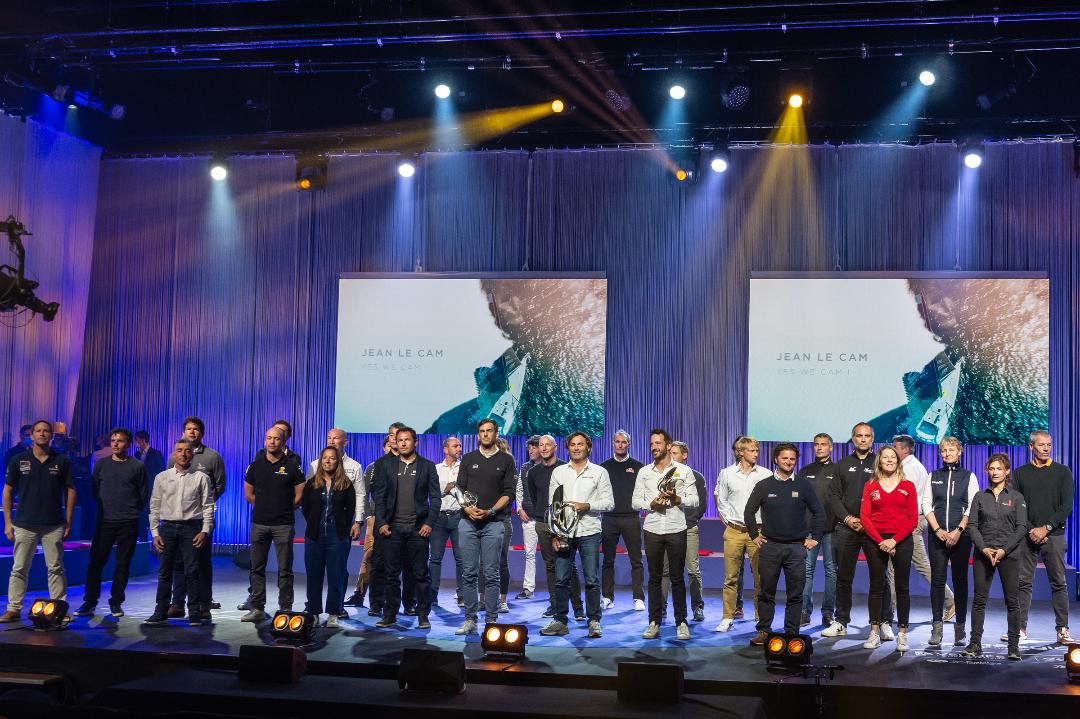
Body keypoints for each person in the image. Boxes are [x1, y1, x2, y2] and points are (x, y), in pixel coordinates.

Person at [745, 443, 824, 644]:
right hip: (770, 547)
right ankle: (764, 630)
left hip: (797, 548)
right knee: (766, 592)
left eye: (792, 459)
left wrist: (815, 537)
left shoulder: (804, 485)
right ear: (776, 460)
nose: (788, 462)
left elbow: (819, 513)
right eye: (784, 458)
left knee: (795, 593)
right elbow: (748, 511)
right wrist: (754, 535)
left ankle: (791, 633)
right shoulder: (764, 485)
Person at [0, 420, 76, 624]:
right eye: (38, 431)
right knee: (19, 568)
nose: (42, 434)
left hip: (53, 524)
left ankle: (59, 608)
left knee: (56, 568)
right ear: (31, 435)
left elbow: (70, 490)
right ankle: (13, 609)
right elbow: (7, 491)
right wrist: (8, 522)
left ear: (51, 436)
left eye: (46, 431)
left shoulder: (62, 461)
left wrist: (68, 521)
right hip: (24, 523)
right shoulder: (18, 460)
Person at [540, 432, 613, 638]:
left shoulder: (599, 472)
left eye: (580, 444)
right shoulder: (559, 472)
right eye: (573, 444)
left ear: (588, 447)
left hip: (590, 531)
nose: (577, 448)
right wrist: (554, 534)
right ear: (568, 448)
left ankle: (594, 621)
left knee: (591, 579)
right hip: (564, 533)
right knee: (561, 579)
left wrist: (587, 505)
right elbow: (553, 506)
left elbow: (609, 503)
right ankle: (560, 621)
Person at [75, 428, 148, 618]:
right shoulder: (101, 465)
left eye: (120, 441)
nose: (115, 444)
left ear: (129, 444)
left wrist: (131, 511)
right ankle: (90, 601)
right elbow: (94, 490)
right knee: (96, 563)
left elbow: (143, 495)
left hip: (128, 522)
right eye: (113, 440)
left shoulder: (137, 466)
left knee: (122, 564)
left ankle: (116, 602)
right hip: (105, 522)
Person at [634, 429, 698, 640]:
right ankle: (654, 622)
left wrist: (677, 499)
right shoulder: (644, 472)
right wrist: (650, 504)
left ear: (669, 446)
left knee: (677, 578)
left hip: (676, 528)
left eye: (658, 443)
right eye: (652, 443)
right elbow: (635, 502)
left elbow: (694, 501)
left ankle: (681, 622)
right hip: (652, 528)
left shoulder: (683, 471)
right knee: (654, 578)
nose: (654, 447)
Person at [374, 427, 440, 629]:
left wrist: (429, 523)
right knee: (391, 574)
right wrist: (382, 522)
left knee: (421, 575)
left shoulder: (427, 466)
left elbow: (435, 499)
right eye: (399, 439)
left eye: (407, 440)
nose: (402, 443)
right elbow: (379, 497)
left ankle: (423, 615)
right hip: (392, 529)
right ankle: (390, 614)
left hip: (418, 529)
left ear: (415, 443)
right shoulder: (386, 465)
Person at [143, 439, 215, 626]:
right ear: (174, 453)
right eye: (179, 450)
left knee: (192, 571)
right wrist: (155, 533)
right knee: (165, 571)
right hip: (167, 528)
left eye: (187, 451)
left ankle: (194, 612)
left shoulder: (201, 478)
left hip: (191, 527)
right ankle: (161, 611)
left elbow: (208, 507)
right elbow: (154, 505)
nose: (183, 454)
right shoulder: (162, 477)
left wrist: (205, 531)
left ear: (192, 454)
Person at [1012, 430, 1074, 644]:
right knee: (1023, 583)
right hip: (1027, 536)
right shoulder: (1020, 473)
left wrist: (1046, 528)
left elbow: (1066, 505)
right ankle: (1019, 628)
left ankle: (1063, 629)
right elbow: (1017, 506)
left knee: (1058, 582)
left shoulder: (1063, 472)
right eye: (1041, 445)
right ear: (1031, 447)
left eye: (1049, 444)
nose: (1046, 448)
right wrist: (1031, 529)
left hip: (1054, 535)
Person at [964, 453, 1027, 660]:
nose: (995, 472)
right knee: (979, 601)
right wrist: (983, 548)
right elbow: (972, 525)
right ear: (987, 471)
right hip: (984, 554)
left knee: (1012, 601)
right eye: (992, 469)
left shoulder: (1016, 497)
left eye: (999, 469)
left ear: (1007, 471)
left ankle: (1013, 646)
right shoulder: (980, 497)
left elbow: (1021, 528)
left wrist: (1004, 550)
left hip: (1009, 555)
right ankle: (974, 644)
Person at [455, 419, 515, 634]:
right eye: (482, 431)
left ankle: (491, 621)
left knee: (491, 573)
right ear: (478, 434)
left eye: (489, 431)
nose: (485, 434)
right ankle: (470, 620)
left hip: (494, 523)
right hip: (467, 522)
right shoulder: (468, 459)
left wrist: (490, 511)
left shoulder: (506, 460)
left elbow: (509, 493)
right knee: (469, 573)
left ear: (496, 433)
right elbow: (459, 488)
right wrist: (468, 508)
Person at [240, 426, 305, 623]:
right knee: (256, 567)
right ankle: (258, 607)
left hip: (283, 524)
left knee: (285, 569)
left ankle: (285, 607)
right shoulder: (255, 465)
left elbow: (299, 494)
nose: (272, 442)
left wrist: (283, 509)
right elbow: (248, 493)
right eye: (268, 438)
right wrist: (264, 508)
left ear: (283, 441)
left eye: (276, 439)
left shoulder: (293, 466)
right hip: (259, 524)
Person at [892, 434, 956, 630]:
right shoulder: (908, 466)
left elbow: (904, 497)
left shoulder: (911, 468)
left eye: (894, 448)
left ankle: (950, 600)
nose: (891, 451)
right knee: (892, 568)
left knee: (921, 564)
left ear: (905, 449)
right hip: (904, 520)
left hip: (912, 521)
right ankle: (889, 611)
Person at [859, 445, 919, 652]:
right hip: (875, 540)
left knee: (902, 587)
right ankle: (874, 631)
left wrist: (894, 541)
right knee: (877, 586)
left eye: (893, 457)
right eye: (885, 457)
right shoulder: (870, 485)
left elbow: (912, 519)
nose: (890, 460)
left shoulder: (908, 486)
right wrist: (880, 541)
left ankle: (902, 634)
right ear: (880, 461)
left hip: (901, 540)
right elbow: (865, 517)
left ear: (898, 460)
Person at [822, 422, 878, 639]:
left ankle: (881, 621)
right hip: (846, 528)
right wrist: (847, 518)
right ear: (852, 439)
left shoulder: (881, 463)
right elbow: (833, 496)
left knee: (879, 577)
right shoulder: (842, 464)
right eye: (858, 436)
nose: (863, 439)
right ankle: (841, 620)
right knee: (843, 578)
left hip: (874, 529)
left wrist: (869, 521)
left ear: (872, 439)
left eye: (867, 436)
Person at [922, 437, 977, 647]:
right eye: (943, 450)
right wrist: (937, 529)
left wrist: (958, 530)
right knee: (937, 581)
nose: (947, 453)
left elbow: (972, 505)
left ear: (960, 452)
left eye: (951, 450)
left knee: (960, 581)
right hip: (937, 537)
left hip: (961, 537)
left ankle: (960, 628)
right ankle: (937, 627)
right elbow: (926, 503)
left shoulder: (968, 477)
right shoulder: (932, 476)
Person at [169, 416, 226, 618]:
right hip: (178, 519)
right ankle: (177, 604)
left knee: (202, 562)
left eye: (195, 429)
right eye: (188, 429)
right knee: (179, 562)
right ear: (184, 431)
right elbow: (169, 484)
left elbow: (220, 485)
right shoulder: (173, 456)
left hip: (202, 519)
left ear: (202, 433)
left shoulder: (212, 456)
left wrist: (202, 504)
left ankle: (203, 604)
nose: (192, 432)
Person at [714, 435, 772, 632]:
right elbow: (721, 499)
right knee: (730, 577)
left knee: (760, 578)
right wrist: (729, 521)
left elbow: (769, 503)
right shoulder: (727, 473)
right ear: (740, 452)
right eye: (752, 450)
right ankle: (727, 616)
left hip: (758, 531)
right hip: (735, 531)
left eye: (757, 450)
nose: (756, 454)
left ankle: (760, 617)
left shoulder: (765, 474)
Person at [524, 434, 584, 620]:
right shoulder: (533, 472)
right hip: (543, 523)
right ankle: (555, 605)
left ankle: (577, 607)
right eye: (540, 445)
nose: (543, 448)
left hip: (564, 524)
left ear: (555, 447)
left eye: (547, 445)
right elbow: (534, 498)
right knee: (550, 566)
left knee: (568, 565)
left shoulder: (565, 469)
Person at [307, 428, 364, 616]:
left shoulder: (351, 473)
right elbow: (307, 506)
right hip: (315, 534)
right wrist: (314, 521)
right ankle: (313, 611)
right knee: (314, 575)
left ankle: (335, 610)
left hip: (338, 533)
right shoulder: (313, 472)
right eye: (329, 438)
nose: (328, 461)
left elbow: (357, 498)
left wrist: (356, 522)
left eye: (336, 438)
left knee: (336, 575)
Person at [344, 434, 393, 609]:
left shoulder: (404, 466)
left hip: (397, 519)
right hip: (375, 518)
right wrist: (367, 516)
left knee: (394, 560)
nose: (391, 448)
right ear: (384, 447)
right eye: (388, 445)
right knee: (369, 556)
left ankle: (391, 598)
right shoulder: (373, 467)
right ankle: (359, 594)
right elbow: (363, 493)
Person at [600, 430, 645, 611]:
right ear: (612, 444)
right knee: (607, 560)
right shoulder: (603, 467)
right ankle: (607, 596)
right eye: (617, 442)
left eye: (623, 442)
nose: (620, 445)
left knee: (636, 560)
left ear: (629, 445)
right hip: (609, 518)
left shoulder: (639, 467)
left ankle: (638, 598)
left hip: (631, 518)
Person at [796, 433, 838, 627]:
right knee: (807, 570)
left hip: (832, 529)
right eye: (816, 445)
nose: (819, 448)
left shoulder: (838, 471)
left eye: (823, 445)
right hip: (809, 530)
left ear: (830, 447)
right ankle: (804, 611)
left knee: (831, 571)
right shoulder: (804, 471)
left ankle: (828, 612)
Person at [663, 440, 707, 622]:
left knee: (692, 570)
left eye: (675, 453)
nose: (671, 456)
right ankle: (662, 608)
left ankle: (697, 607)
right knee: (665, 571)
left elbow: (701, 505)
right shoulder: (663, 476)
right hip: (667, 528)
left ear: (684, 455)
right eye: (669, 453)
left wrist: (688, 520)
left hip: (688, 528)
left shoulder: (696, 477)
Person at [431, 437, 464, 607]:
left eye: (459, 445)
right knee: (435, 558)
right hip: (439, 518)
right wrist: (446, 489)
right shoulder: (436, 469)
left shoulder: (465, 469)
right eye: (455, 446)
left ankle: (462, 594)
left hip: (459, 516)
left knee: (461, 558)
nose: (459, 448)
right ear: (445, 449)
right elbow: (432, 493)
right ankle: (432, 595)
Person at [514, 436, 542, 601]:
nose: (531, 451)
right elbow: (519, 491)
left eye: (534, 447)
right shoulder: (525, 468)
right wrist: (519, 509)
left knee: (552, 556)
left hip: (547, 520)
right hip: (529, 518)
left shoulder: (553, 467)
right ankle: (528, 588)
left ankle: (558, 589)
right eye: (529, 448)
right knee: (529, 554)